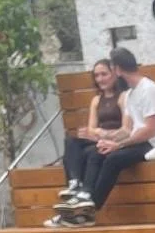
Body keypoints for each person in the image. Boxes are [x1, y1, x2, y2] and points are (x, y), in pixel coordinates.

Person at [45, 47, 155, 228]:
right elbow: (129, 129)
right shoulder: (130, 93)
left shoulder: (148, 89)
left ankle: (85, 209)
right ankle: (81, 198)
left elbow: (151, 130)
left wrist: (118, 145)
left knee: (113, 158)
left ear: (118, 70)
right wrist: (109, 140)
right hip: (140, 140)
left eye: (111, 69)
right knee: (97, 150)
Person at [52, 59, 129, 217]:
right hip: (99, 139)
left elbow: (126, 129)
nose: (100, 79)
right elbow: (91, 128)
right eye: (96, 75)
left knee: (92, 152)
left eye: (104, 74)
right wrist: (94, 133)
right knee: (71, 142)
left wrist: (101, 133)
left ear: (114, 74)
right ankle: (75, 183)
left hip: (117, 141)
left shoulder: (124, 97)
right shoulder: (96, 100)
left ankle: (85, 192)